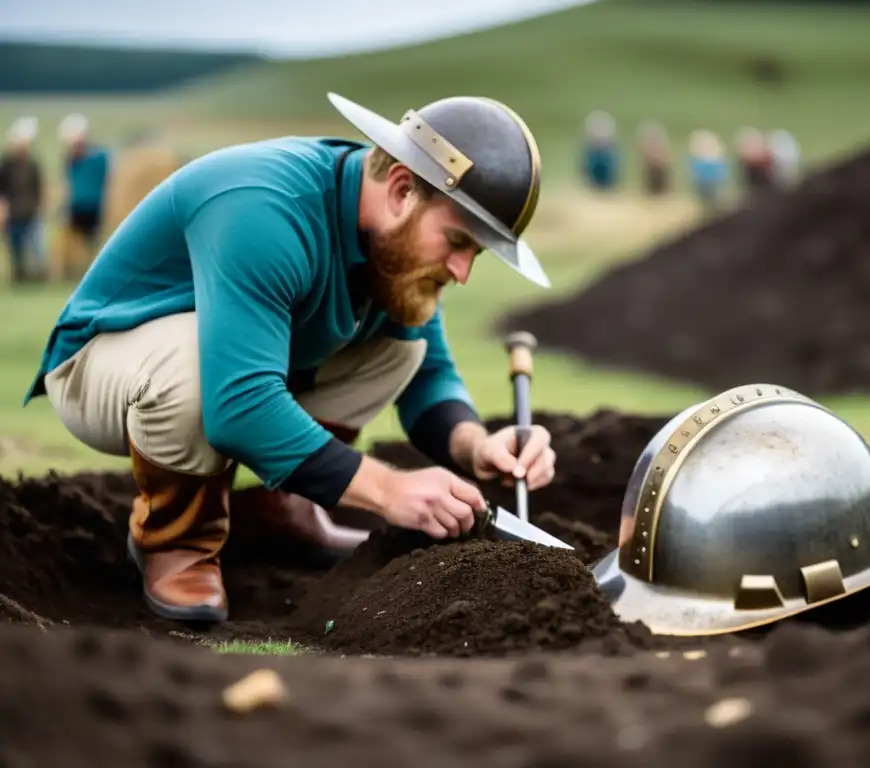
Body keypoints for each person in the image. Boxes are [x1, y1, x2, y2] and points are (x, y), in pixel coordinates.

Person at [25, 92, 557, 624]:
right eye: (458, 241)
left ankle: (282, 508)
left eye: (476, 255)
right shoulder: (265, 206)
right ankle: (177, 540)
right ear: (400, 189)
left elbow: (429, 374)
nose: (462, 271)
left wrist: (476, 445)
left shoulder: (390, 244)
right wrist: (388, 489)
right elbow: (238, 405)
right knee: (194, 366)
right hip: (101, 365)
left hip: (228, 368)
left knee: (404, 345)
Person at [56, 113, 110, 280]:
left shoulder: (98, 158)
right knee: (77, 245)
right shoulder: (71, 160)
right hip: (76, 208)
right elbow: (67, 184)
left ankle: (95, 272)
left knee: (95, 243)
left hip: (95, 207)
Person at [0, 117, 45, 283]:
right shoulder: (6, 164)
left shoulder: (33, 164)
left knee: (36, 249)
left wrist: (40, 207)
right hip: (13, 214)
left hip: (31, 213)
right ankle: (18, 277)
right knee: (15, 249)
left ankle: (38, 277)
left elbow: (38, 188)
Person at [580, 110, 621, 191]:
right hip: (592, 187)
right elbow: (585, 171)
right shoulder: (590, 154)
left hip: (609, 187)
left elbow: (614, 173)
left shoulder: (611, 154)